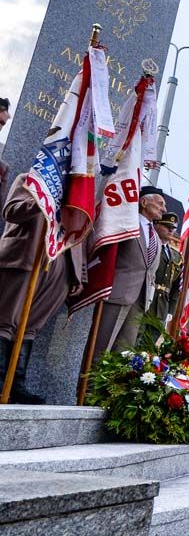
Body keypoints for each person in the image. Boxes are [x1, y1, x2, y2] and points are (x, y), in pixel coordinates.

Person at [0, 171, 86, 403]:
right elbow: (11, 211)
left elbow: (79, 234)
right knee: (6, 320)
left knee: (30, 326)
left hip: (61, 266)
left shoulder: (79, 193)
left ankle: (16, 383)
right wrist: (44, 201)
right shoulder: (29, 179)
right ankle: (1, 381)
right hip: (27, 257)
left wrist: (80, 275)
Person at [92, 186, 164, 361]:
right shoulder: (127, 224)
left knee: (123, 355)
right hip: (116, 296)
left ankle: (107, 388)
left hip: (139, 303)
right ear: (144, 202)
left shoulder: (156, 237)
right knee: (101, 350)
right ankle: (86, 387)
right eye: (160, 203)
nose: (164, 209)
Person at [140, 212, 182, 344]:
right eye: (167, 226)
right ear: (156, 224)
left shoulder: (176, 256)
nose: (171, 230)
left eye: (173, 228)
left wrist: (171, 310)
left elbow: (176, 287)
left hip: (161, 308)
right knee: (133, 342)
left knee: (149, 347)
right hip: (144, 301)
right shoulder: (148, 245)